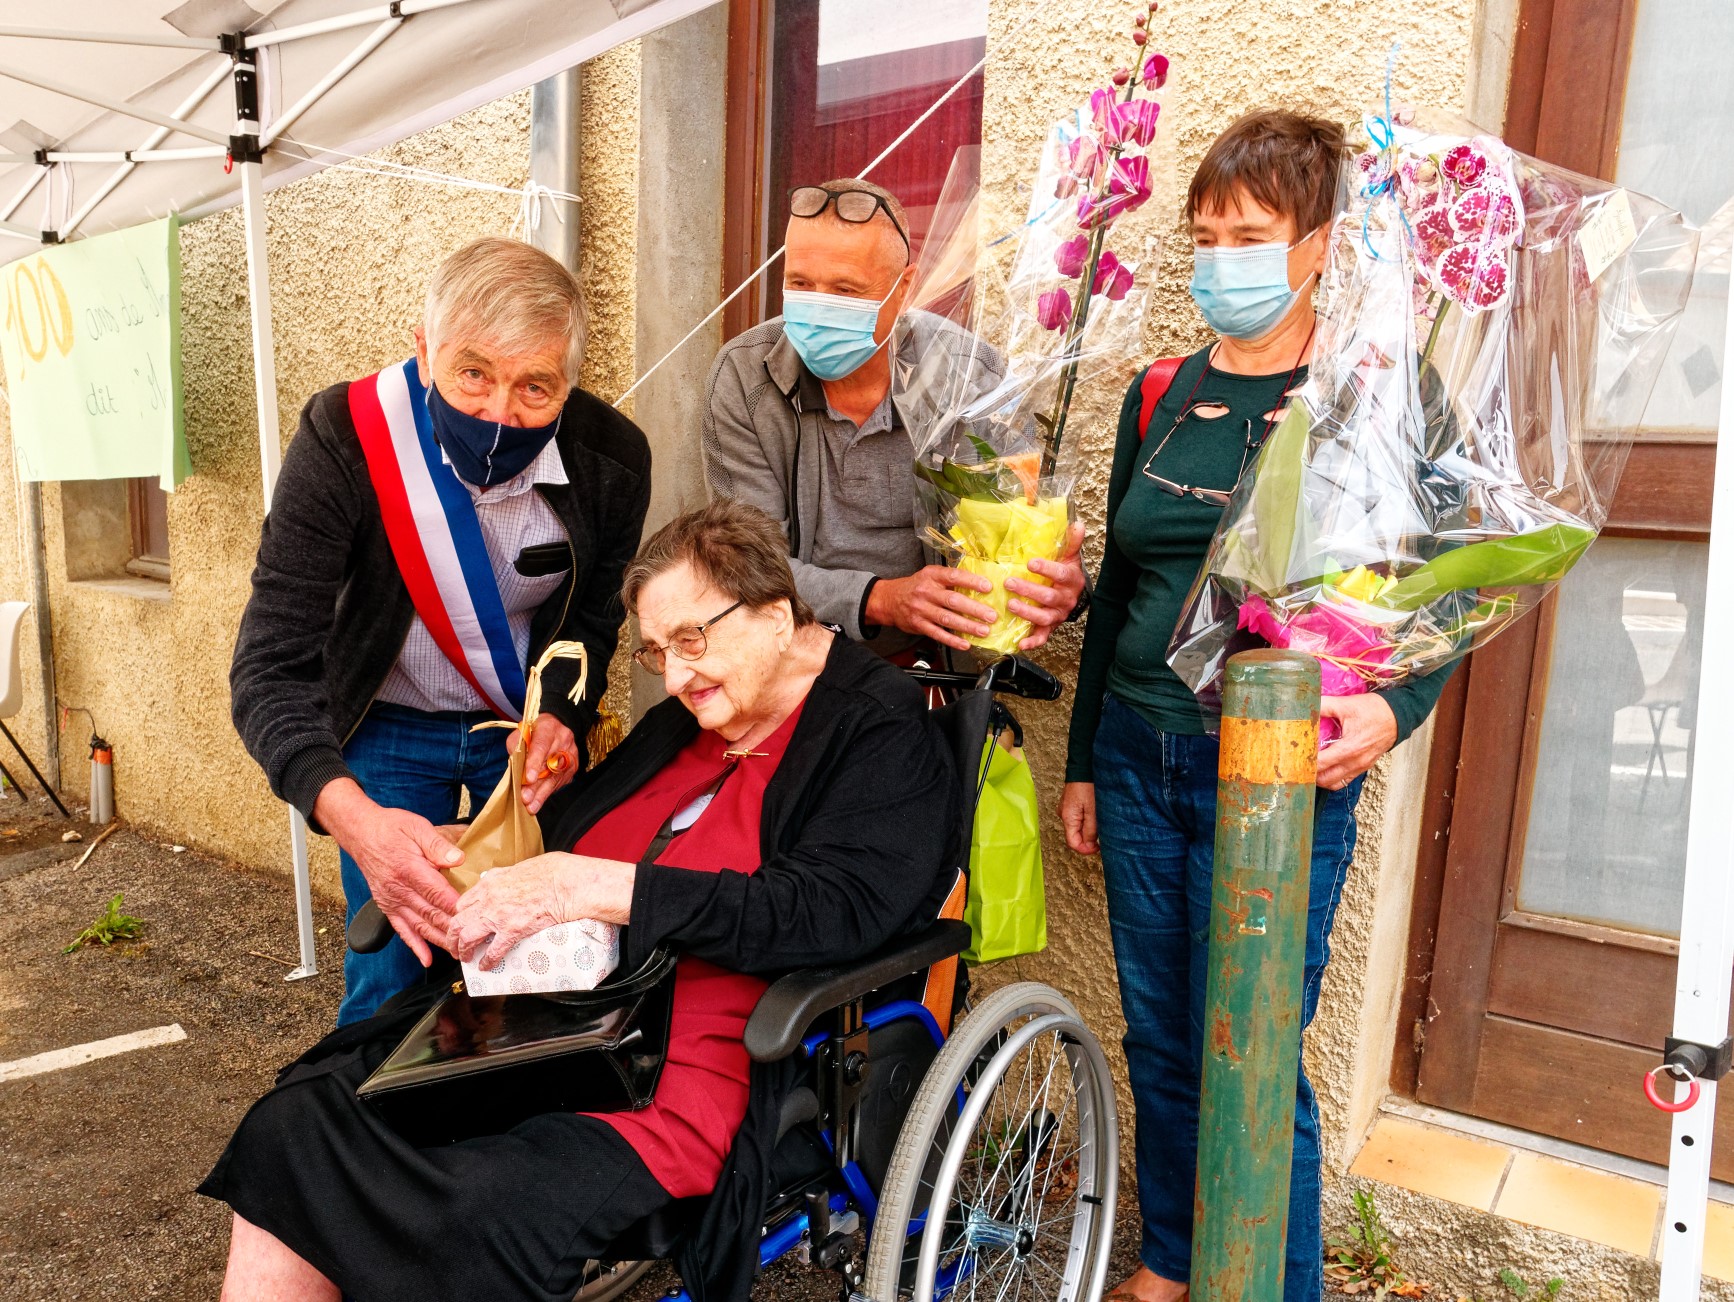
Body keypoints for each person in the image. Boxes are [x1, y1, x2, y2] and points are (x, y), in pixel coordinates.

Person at [202, 499, 960, 1302]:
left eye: (693, 641)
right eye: (658, 651)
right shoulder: (688, 720)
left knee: (480, 1208)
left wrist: (593, 886)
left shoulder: (881, 728)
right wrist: (455, 846)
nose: (673, 676)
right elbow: (564, 837)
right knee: (300, 1122)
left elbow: (832, 911)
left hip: (687, 1069)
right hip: (543, 1030)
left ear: (777, 616)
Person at [1059, 111, 1458, 1302]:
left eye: (1251, 233)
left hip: (1276, 765)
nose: (1220, 257)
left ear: (1323, 242)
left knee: (1255, 1054)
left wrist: (1402, 707)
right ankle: (1180, 1259)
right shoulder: (1157, 395)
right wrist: (1083, 760)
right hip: (1139, 756)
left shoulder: (1373, 392)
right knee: (1163, 1040)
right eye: (1205, 234)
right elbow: (1122, 588)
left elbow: (1448, 580)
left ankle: (1276, 1287)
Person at [230, 237, 652, 1026]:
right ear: (423, 351)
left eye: (537, 387)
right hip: (385, 728)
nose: (500, 412)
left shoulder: (613, 458)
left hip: (519, 745)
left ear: (572, 382)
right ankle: (374, 1140)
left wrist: (564, 714)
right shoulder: (344, 437)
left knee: (537, 963)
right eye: (473, 374)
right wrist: (354, 820)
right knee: (395, 972)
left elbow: (594, 621)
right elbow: (269, 665)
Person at [702, 178, 1088, 660]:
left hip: (938, 669)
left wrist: (1059, 582)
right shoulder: (746, 377)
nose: (820, 307)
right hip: (789, 658)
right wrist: (880, 599)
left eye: (846, 289)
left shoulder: (970, 379)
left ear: (904, 288)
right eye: (800, 283)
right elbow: (749, 564)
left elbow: (1023, 535)